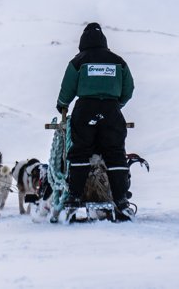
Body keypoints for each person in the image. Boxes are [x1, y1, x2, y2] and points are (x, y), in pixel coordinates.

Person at [55, 22, 135, 221]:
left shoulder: (78, 61)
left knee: (80, 151)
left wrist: (62, 104)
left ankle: (73, 197)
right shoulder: (118, 61)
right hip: (111, 110)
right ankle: (121, 199)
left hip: (85, 109)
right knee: (115, 153)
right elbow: (129, 89)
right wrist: (117, 105)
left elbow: (68, 88)